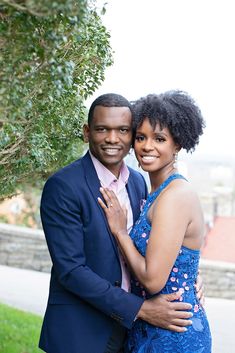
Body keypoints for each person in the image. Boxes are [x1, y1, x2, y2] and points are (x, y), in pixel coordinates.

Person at [39, 93, 203, 353]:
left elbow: (157, 243)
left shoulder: (139, 182)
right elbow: (70, 270)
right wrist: (139, 308)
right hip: (81, 332)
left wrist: (186, 276)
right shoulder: (63, 186)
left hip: (135, 332)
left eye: (124, 131)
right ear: (87, 132)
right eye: (102, 129)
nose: (112, 139)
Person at [98, 91, 212, 352]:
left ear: (178, 144)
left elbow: (152, 280)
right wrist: (190, 275)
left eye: (159, 138)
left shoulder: (176, 196)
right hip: (148, 326)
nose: (147, 146)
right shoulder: (154, 192)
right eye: (140, 137)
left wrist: (120, 232)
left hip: (173, 334)